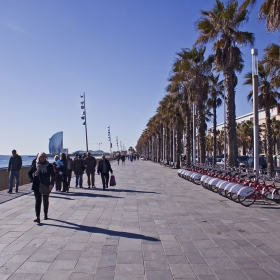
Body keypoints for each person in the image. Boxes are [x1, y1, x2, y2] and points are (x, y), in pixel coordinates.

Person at [28, 152, 55, 223]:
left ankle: (45, 214)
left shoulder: (49, 166)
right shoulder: (36, 165)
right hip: (36, 185)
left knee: (45, 200)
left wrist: (51, 184)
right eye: (41, 157)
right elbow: (29, 173)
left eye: (44, 157)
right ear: (38, 158)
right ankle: (38, 217)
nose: (42, 158)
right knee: (38, 201)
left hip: (46, 185)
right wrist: (32, 179)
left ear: (46, 157)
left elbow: (53, 175)